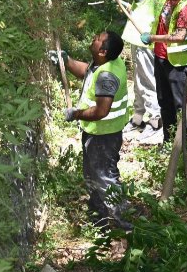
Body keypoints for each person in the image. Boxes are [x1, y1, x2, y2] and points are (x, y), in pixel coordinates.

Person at [83, 0, 177, 138]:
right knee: (139, 82)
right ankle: (137, 119)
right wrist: (126, 3)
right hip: (139, 40)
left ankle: (154, 122)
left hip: (143, 42)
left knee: (146, 81)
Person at [47, 31, 133, 230]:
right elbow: (87, 71)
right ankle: (98, 217)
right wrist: (66, 61)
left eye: (97, 39)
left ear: (102, 51)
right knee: (93, 175)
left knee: (105, 177)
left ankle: (124, 220)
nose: (93, 38)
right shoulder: (105, 62)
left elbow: (101, 110)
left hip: (104, 136)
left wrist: (76, 114)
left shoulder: (107, 76)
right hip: (98, 133)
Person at [104, 0, 187, 143]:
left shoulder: (186, 5)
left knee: (181, 105)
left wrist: (153, 38)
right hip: (160, 57)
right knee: (164, 102)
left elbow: (180, 35)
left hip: (177, 63)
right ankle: (169, 140)